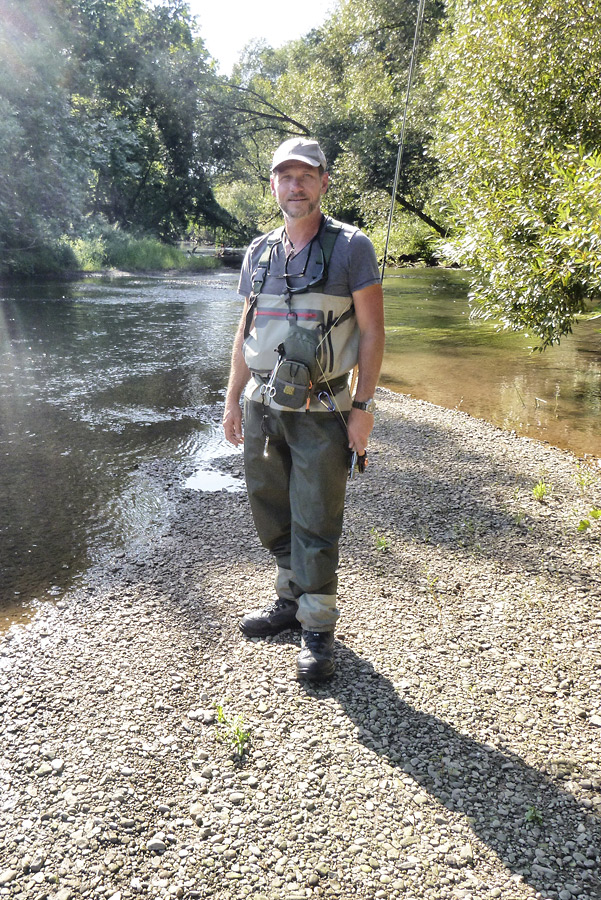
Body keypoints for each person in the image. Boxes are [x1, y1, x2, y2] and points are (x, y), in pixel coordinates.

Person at [222, 137, 385, 682]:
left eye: (306, 176)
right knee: (271, 509)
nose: (295, 186)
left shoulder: (351, 248)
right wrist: (231, 401)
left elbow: (373, 332)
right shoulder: (258, 252)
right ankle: (288, 602)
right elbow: (245, 331)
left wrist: (362, 407)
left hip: (325, 408)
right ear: (272, 185)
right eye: (285, 177)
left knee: (316, 516)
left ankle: (318, 629)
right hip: (262, 403)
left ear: (323, 182)